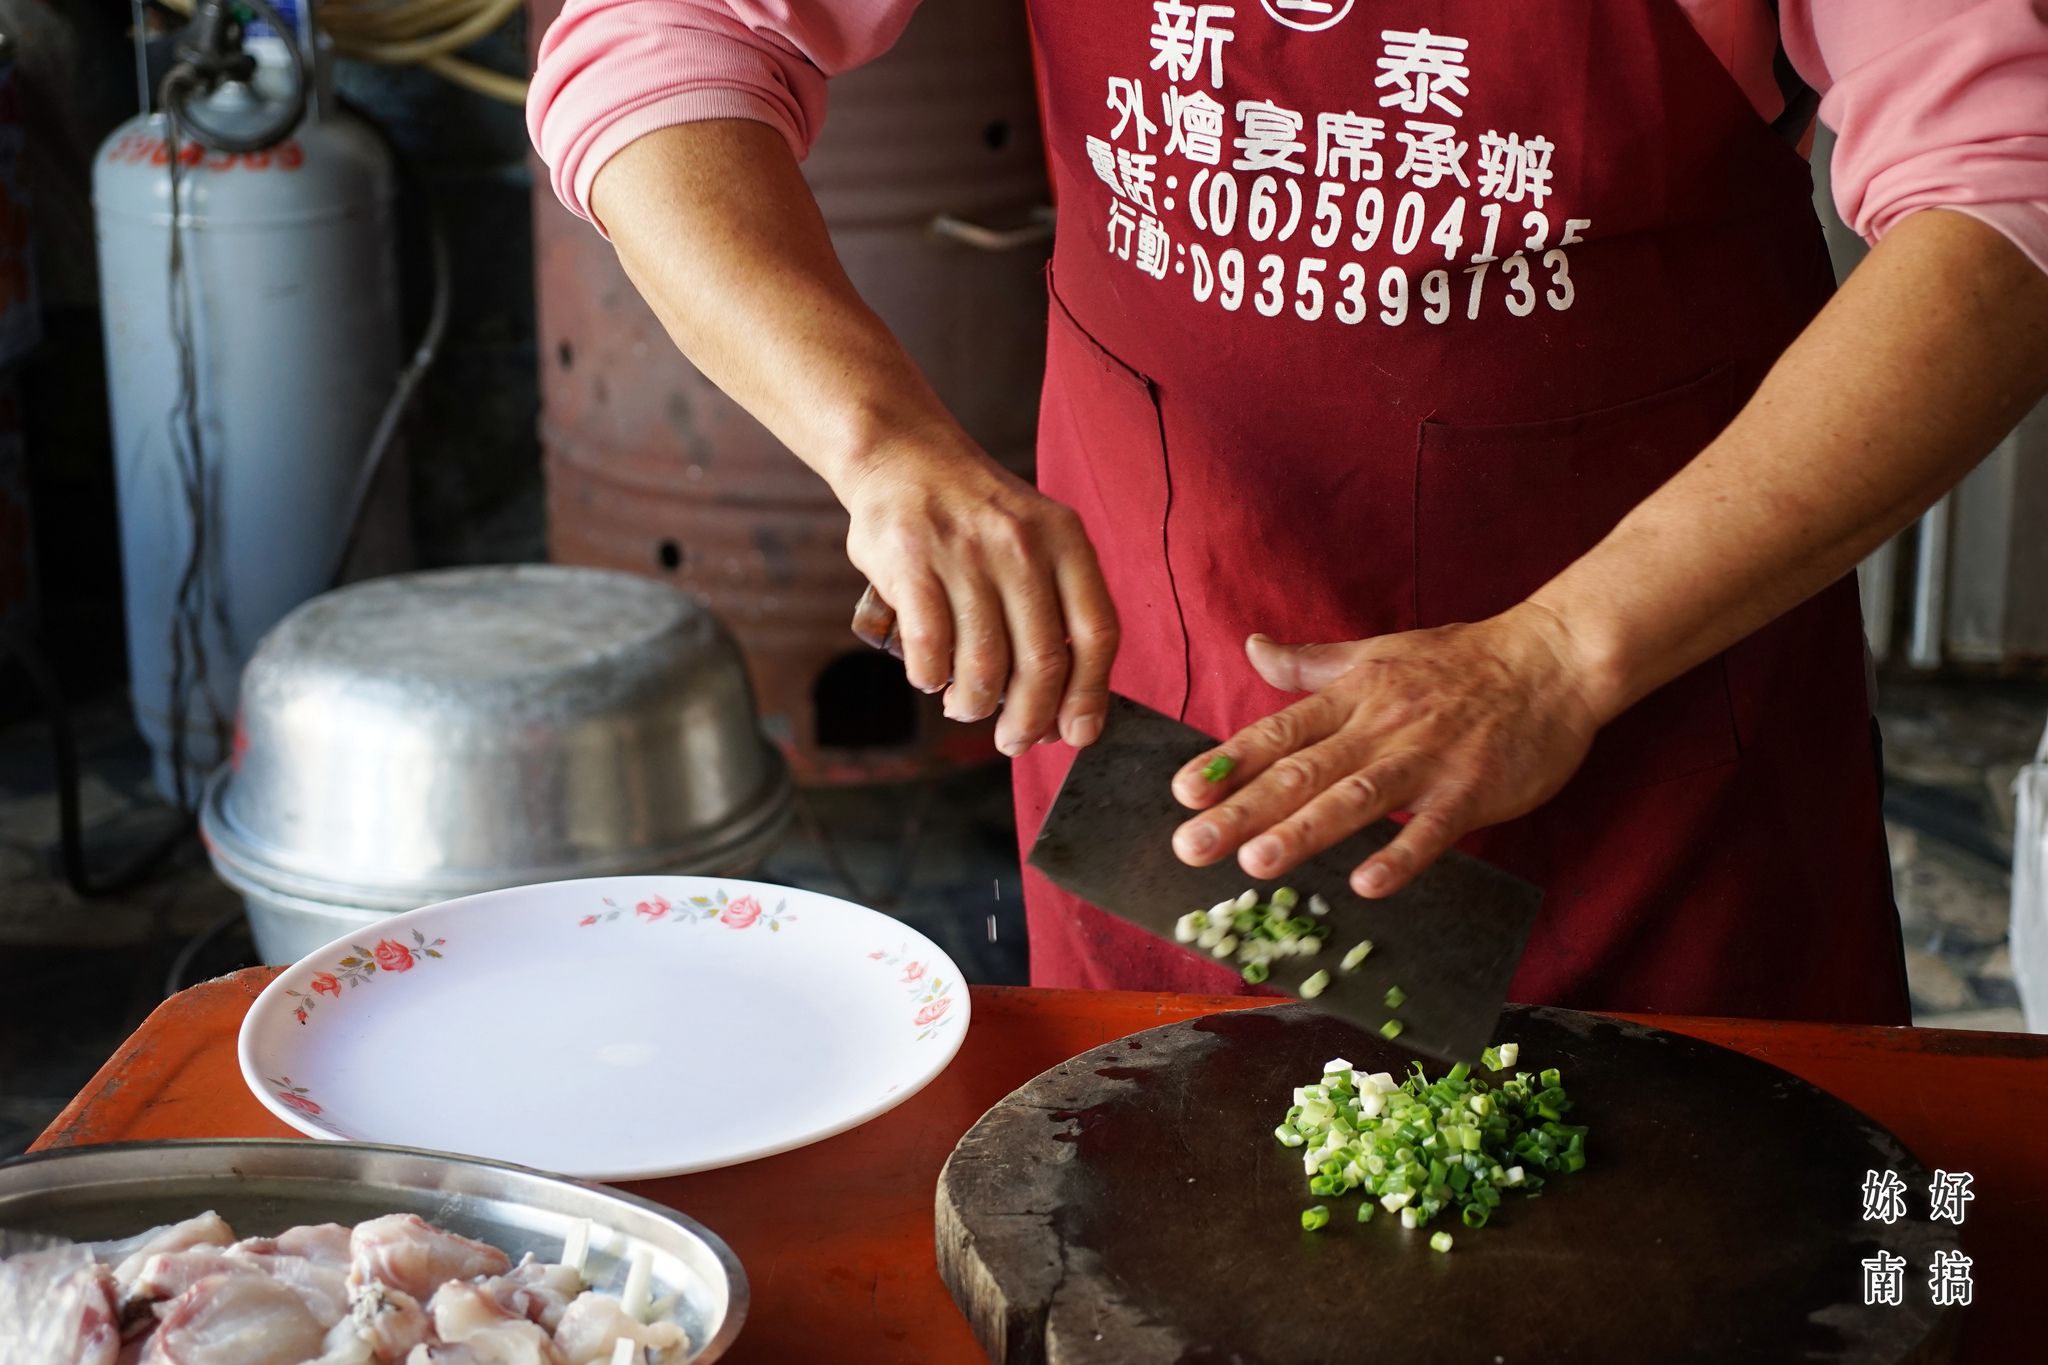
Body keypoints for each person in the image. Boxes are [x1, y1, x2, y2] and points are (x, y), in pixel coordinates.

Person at [529, 0, 2048, 1023]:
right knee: (1143, 1232)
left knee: (1749, 1268)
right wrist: (880, 443)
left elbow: (2003, 188)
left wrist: (1562, 653)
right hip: (1170, 719)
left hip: (1653, 717)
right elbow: (656, 39)